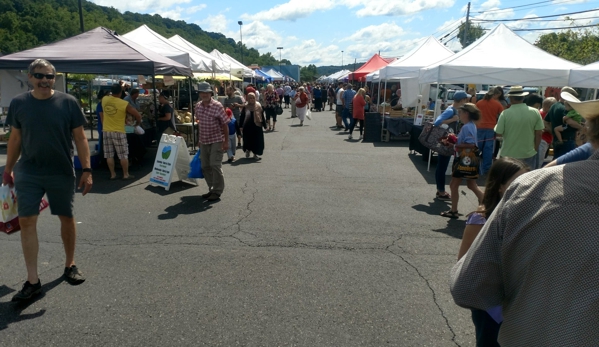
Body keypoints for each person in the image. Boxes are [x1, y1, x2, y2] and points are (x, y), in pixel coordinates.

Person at [450, 92, 599, 346]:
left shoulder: (530, 187)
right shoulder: (526, 114)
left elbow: (469, 286)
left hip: (534, 335)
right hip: (529, 158)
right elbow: (539, 136)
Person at [4, 59, 93, 301]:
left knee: (66, 217)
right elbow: (15, 139)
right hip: (28, 172)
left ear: (55, 78)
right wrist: (8, 169)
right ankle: (33, 281)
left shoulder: (68, 103)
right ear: (29, 77)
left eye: (50, 76)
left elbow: (80, 138)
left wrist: (87, 169)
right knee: (27, 222)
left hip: (61, 171)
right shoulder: (19, 103)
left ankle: (69, 264)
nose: (45, 80)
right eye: (39, 75)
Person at [456, 157, 528, 346]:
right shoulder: (480, 219)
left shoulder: (528, 216)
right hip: (490, 307)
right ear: (500, 186)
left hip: (521, 302)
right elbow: (464, 263)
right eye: (517, 182)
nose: (525, 187)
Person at [441, 103, 484, 219]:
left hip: (465, 159)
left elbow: (470, 144)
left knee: (454, 185)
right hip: (470, 159)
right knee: (471, 184)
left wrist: (455, 144)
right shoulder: (471, 125)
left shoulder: (467, 127)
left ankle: (454, 210)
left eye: (460, 113)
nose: (458, 115)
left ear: (466, 113)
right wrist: (455, 141)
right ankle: (486, 204)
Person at [194, 82, 229, 201]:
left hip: (217, 139)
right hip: (204, 140)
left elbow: (225, 124)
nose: (204, 94)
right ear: (199, 94)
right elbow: (200, 124)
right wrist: (199, 140)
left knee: (215, 164)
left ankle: (218, 191)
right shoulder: (198, 106)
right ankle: (212, 188)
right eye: (202, 92)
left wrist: (226, 142)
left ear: (210, 93)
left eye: (206, 92)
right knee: (205, 166)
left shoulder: (217, 105)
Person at [494, 86, 544, 169]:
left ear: (510, 98)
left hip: (508, 153)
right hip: (528, 152)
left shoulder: (505, 113)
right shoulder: (535, 112)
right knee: (527, 179)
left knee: (509, 178)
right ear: (523, 97)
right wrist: (535, 148)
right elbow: (539, 133)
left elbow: (499, 132)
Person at [434, 91, 469, 201]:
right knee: (442, 166)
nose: (467, 101)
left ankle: (440, 190)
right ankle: (441, 191)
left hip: (448, 142)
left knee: (442, 166)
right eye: (466, 99)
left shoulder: (453, 109)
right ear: (462, 100)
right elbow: (437, 122)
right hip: (445, 142)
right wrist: (453, 119)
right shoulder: (451, 110)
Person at [102, 84, 142, 180]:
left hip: (106, 130)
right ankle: (125, 174)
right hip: (119, 131)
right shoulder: (123, 103)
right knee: (123, 154)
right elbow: (137, 115)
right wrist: (137, 123)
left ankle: (112, 174)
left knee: (109, 154)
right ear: (120, 93)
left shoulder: (104, 99)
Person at [546, 87, 583, 159]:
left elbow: (545, 122)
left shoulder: (554, 106)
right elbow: (570, 122)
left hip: (557, 140)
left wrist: (554, 132)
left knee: (557, 164)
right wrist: (581, 127)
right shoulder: (566, 108)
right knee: (566, 165)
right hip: (567, 140)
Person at [476, 89, 505, 175]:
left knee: (477, 148)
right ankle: (486, 169)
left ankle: (474, 166)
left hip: (479, 127)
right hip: (491, 128)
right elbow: (502, 115)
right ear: (494, 95)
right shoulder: (497, 104)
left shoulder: (479, 103)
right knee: (488, 149)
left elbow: (474, 113)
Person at [241, 93, 266, 159]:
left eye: (253, 98)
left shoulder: (258, 105)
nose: (252, 99)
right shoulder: (246, 106)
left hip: (257, 125)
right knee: (248, 140)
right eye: (250, 98)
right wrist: (240, 126)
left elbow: (262, 115)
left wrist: (264, 125)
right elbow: (242, 116)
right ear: (248, 99)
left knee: (257, 140)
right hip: (247, 126)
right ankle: (248, 150)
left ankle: (255, 154)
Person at [538, 97, 557, 168]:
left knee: (541, 160)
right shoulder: (541, 114)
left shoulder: (545, 113)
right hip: (542, 140)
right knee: (539, 162)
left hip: (546, 141)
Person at [96, 90, 106, 157]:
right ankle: (100, 157)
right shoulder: (100, 105)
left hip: (103, 126)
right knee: (102, 141)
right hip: (102, 126)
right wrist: (104, 127)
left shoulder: (103, 104)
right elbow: (102, 118)